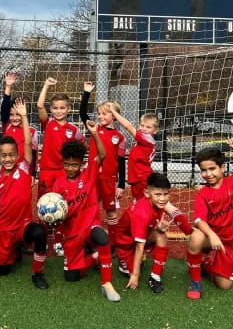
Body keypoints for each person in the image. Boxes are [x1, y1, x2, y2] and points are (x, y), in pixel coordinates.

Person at [53, 120, 121, 302]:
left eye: (74, 165)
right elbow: (55, 210)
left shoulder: (88, 173)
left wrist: (95, 133)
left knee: (102, 238)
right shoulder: (59, 184)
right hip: (72, 233)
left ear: (80, 164)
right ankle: (95, 257)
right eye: (67, 164)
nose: (70, 168)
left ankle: (107, 283)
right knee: (72, 277)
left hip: (91, 224)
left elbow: (102, 154)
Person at [185, 137, 233, 300]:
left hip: (232, 242)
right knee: (196, 237)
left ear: (222, 167)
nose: (208, 174)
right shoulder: (203, 193)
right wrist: (211, 235)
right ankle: (195, 281)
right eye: (204, 170)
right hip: (213, 239)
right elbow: (198, 220)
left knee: (223, 286)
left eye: (212, 168)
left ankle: (207, 263)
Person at [0, 99, 49, 289]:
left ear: (17, 156)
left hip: (23, 225)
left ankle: (37, 273)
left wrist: (23, 116)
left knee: (40, 233)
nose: (8, 159)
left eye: (12, 155)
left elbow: (28, 142)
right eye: (4, 156)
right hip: (4, 231)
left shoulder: (23, 168)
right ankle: (13, 251)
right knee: (2, 272)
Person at [115, 173, 193, 293]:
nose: (162, 198)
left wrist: (191, 233)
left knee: (161, 234)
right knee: (132, 271)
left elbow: (174, 212)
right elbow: (139, 247)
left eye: (165, 194)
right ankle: (121, 259)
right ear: (147, 193)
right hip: (126, 245)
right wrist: (135, 275)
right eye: (158, 194)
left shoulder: (159, 201)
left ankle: (155, 277)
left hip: (141, 237)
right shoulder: (142, 213)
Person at [36, 77, 85, 256]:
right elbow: (39, 106)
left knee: (62, 206)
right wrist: (47, 85)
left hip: (65, 174)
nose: (58, 111)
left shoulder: (74, 130)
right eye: (55, 108)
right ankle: (40, 240)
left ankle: (58, 240)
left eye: (62, 107)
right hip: (47, 172)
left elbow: (81, 149)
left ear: (68, 109)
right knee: (43, 205)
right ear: (51, 109)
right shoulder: (48, 123)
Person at [79, 82, 126, 249]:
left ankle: (112, 243)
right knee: (88, 208)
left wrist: (120, 184)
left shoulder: (120, 137)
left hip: (108, 179)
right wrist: (86, 94)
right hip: (92, 177)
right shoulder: (94, 129)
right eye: (99, 113)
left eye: (105, 114)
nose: (100, 116)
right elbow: (83, 114)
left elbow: (121, 162)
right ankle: (87, 240)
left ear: (114, 116)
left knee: (111, 211)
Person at [108, 105, 159, 201]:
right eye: (142, 125)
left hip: (141, 177)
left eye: (148, 127)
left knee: (141, 203)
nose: (144, 129)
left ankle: (157, 215)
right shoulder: (143, 142)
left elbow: (128, 126)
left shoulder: (146, 138)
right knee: (141, 202)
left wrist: (114, 112)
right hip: (139, 177)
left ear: (155, 130)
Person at [0, 72, 38, 176]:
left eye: (18, 114)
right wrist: (8, 87)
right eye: (12, 115)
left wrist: (33, 175)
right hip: (7, 170)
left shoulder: (32, 131)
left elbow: (33, 154)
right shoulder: (7, 126)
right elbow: (4, 110)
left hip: (23, 171)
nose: (15, 118)